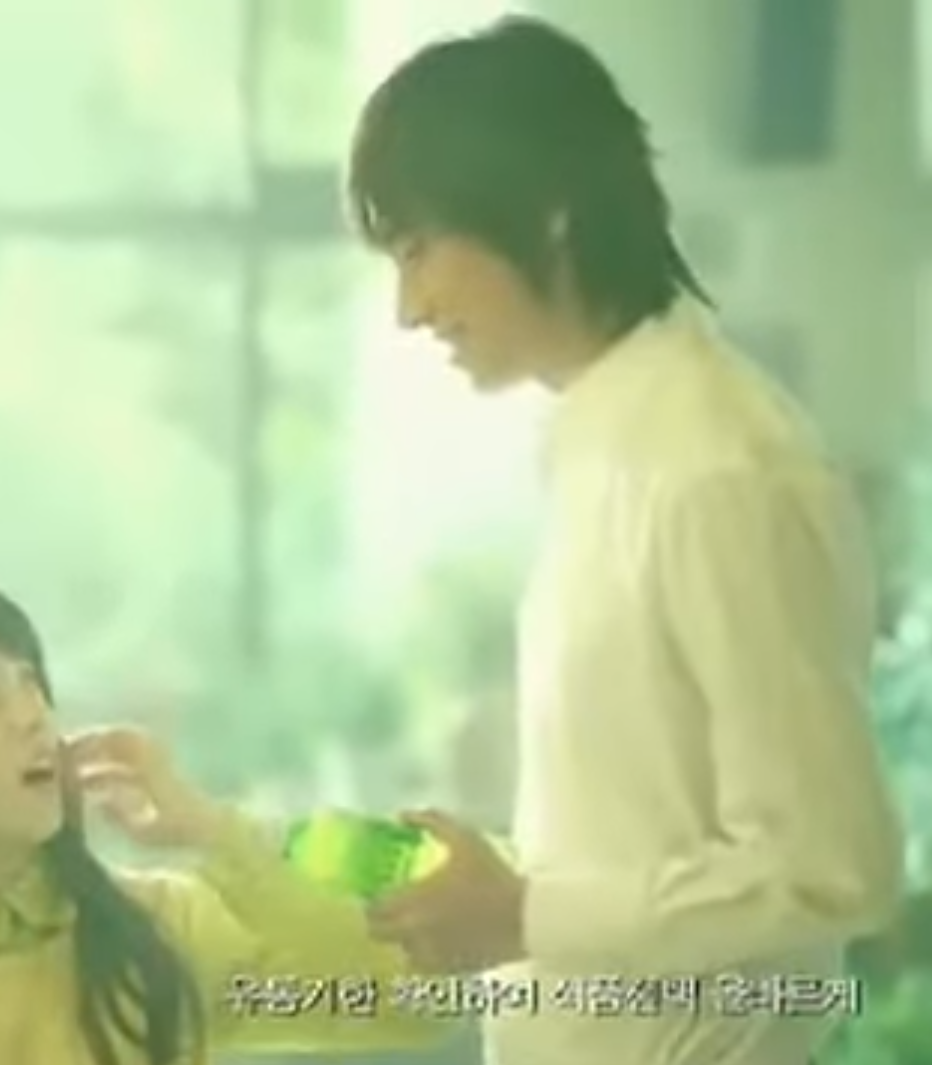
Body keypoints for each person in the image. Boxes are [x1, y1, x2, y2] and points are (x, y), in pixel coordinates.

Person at [345, 14, 904, 1065]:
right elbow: (646, 829)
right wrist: (496, 895)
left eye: (419, 250)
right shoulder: (605, 447)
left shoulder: (717, 469)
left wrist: (523, 913)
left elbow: (826, 864)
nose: (408, 310)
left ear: (547, 216)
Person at [0, 575, 448, 1065]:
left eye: (31, 680)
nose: (32, 714)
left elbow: (411, 997)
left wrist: (215, 829)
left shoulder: (156, 936)